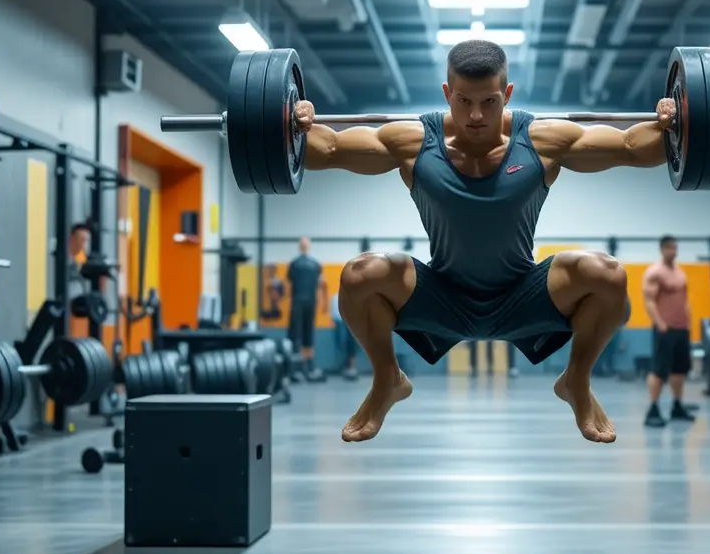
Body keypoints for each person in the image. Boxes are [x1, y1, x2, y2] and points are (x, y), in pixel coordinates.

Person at [294, 39, 678, 443]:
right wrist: (298, 122)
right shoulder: (413, 143)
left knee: (608, 274)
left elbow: (635, 148)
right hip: (441, 294)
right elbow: (329, 149)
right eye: (463, 101)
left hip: (523, 294)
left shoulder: (542, 141)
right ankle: (386, 378)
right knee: (359, 274)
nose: (476, 115)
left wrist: (670, 120)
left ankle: (576, 382)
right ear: (447, 94)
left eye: (489, 102)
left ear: (507, 95)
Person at [642, 235, 694, 427]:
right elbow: (649, 301)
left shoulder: (680, 273)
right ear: (662, 249)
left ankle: (677, 406)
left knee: (679, 370)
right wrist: (660, 323)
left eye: (676, 247)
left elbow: (684, 299)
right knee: (659, 370)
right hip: (665, 329)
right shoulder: (655, 272)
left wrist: (688, 321)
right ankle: (653, 409)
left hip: (682, 328)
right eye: (671, 248)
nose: (674, 251)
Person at [286, 237, 327, 381]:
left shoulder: (313, 265)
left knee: (305, 335)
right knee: (298, 336)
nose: (303, 247)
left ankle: (307, 367)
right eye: (303, 245)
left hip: (306, 303)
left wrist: (323, 304)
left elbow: (322, 285)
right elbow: (289, 286)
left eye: (305, 244)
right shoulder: (297, 264)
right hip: (301, 303)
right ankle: (298, 368)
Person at [329, 291, 358, 381]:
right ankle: (348, 365)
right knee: (346, 333)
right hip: (342, 323)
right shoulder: (335, 298)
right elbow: (335, 316)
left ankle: (350, 365)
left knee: (351, 334)